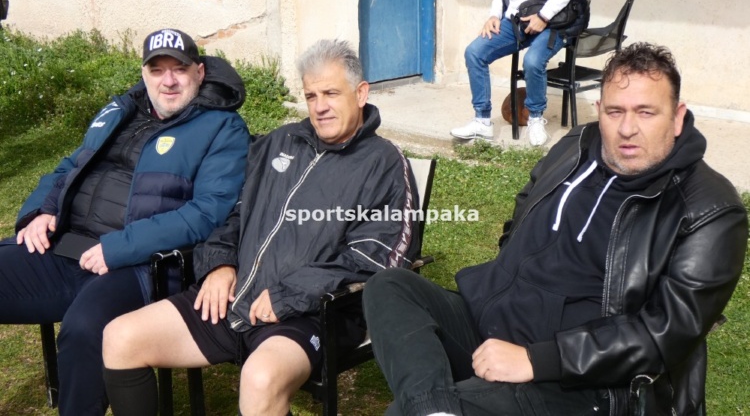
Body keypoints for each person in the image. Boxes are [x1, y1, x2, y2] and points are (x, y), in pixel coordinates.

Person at [364, 42, 748, 415]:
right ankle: (433, 408)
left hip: (581, 379)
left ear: (677, 117)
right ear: (599, 110)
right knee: (391, 286)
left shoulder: (709, 209)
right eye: (615, 111)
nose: (627, 128)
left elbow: (664, 334)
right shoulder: (577, 146)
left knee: (403, 411)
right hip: (491, 325)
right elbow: (525, 205)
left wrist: (537, 360)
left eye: (646, 112)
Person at [101, 38, 421, 416]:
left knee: (260, 379)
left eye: (331, 93)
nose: (320, 107)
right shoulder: (279, 142)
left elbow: (377, 257)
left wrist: (288, 295)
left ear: (361, 93)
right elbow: (235, 213)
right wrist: (219, 263)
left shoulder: (384, 163)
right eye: (311, 95)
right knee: (120, 338)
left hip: (314, 313)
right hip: (236, 296)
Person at [0, 28, 249, 415]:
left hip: (141, 267)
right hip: (66, 246)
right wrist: (41, 210)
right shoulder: (121, 111)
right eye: (157, 70)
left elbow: (207, 213)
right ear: (144, 74)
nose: (168, 81)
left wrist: (118, 248)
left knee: (86, 330)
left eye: (179, 69)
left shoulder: (221, 128)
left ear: (199, 73)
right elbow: (70, 165)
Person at [450, 0, 588, 146]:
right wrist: (494, 15)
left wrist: (543, 17)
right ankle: (482, 121)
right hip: (519, 18)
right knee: (474, 53)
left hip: (555, 21)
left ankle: (535, 118)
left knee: (533, 61)